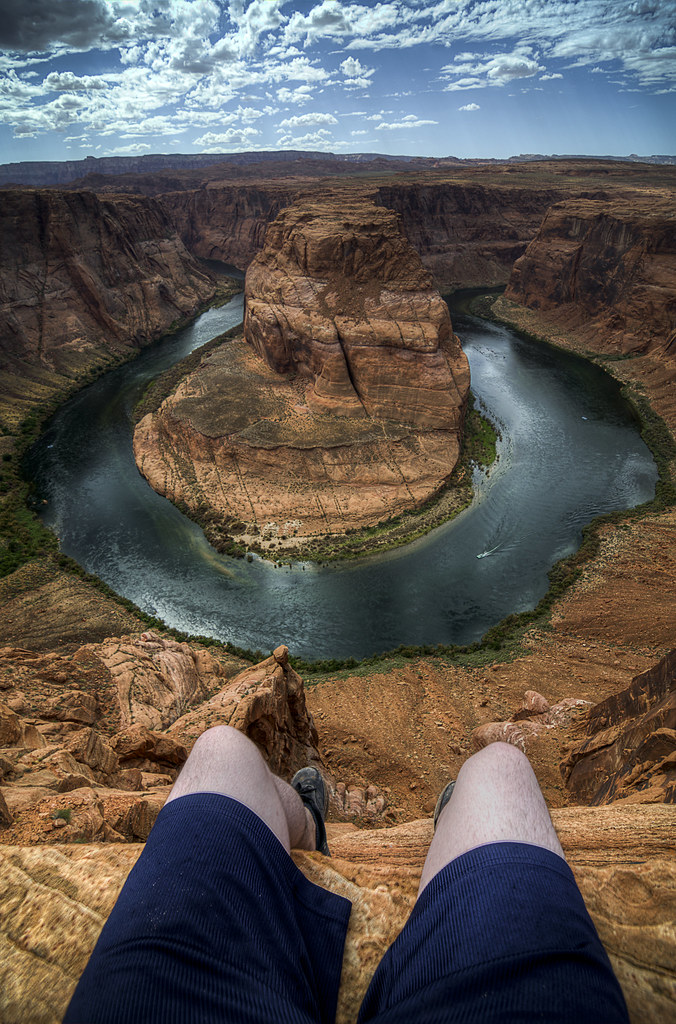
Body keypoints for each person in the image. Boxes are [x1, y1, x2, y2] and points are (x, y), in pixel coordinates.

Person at [64, 726, 629, 1024]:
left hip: (161, 1000)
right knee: (500, 768)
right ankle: (448, 831)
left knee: (220, 748)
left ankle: (309, 826)